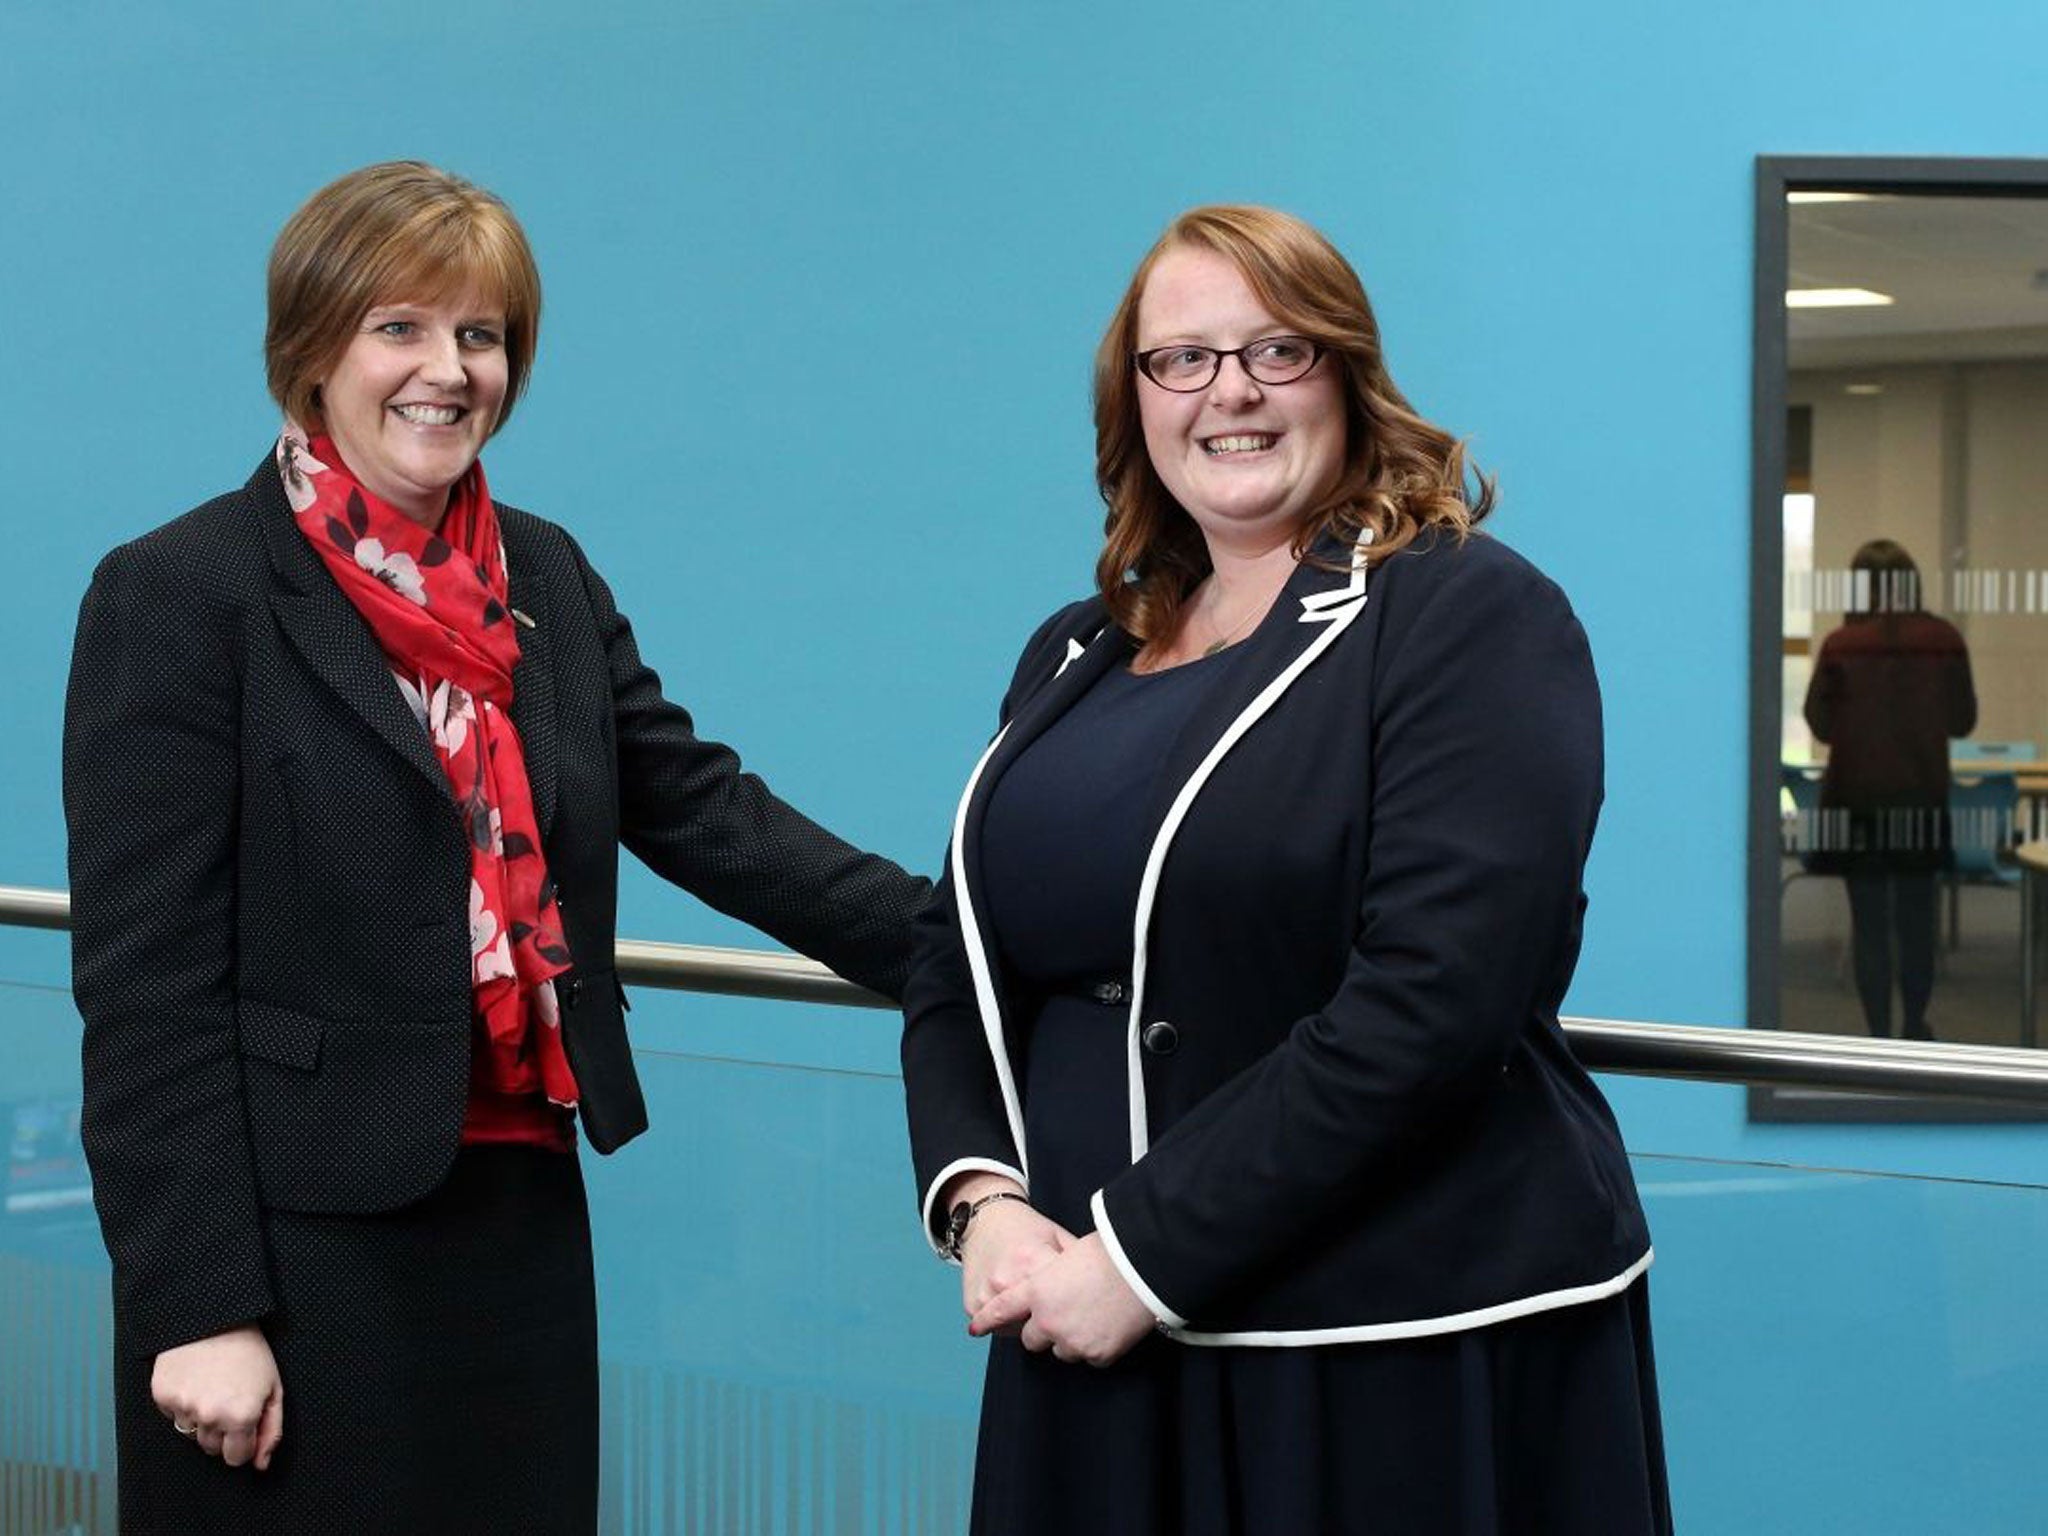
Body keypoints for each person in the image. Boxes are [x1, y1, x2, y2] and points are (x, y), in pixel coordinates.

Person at [63, 160, 929, 1534]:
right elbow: (144, 985)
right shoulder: (182, 593)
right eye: (398, 328)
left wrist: (973, 945)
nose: (449, 369)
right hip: (292, 1241)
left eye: (482, 334)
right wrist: (199, 1302)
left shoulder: (548, 576)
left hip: (515, 1208)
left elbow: (707, 810)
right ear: (311, 352)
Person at [900, 205, 1670, 1534]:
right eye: (1182, 360)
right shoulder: (1079, 649)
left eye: (1279, 350)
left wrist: (1140, 1256)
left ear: (1350, 378)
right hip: (1081, 1328)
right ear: (1134, 400)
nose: (1231, 392)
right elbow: (957, 956)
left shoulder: (1468, 615)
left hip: (1379, 1347)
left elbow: (1440, 996)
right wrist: (984, 1206)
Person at [1803, 538, 1976, 1040]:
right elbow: (1964, 721)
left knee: (1871, 927)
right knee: (1918, 924)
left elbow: (1822, 724)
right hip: (1922, 799)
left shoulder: (1841, 644)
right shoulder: (1943, 639)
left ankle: (1877, 1035)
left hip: (1857, 803)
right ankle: (1914, 1026)